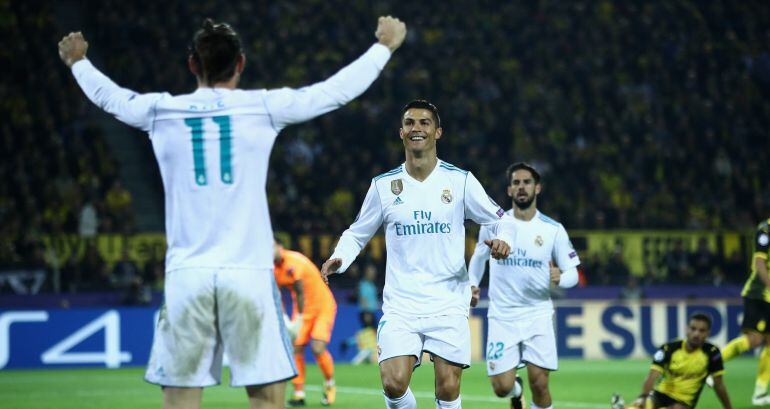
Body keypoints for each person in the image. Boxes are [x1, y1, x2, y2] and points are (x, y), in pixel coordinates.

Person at [58, 16, 406, 409]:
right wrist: (384, 47)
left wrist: (78, 61)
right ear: (240, 64)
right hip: (249, 275)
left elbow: (111, 97)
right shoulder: (263, 107)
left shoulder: (161, 110)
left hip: (187, 276)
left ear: (192, 65)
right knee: (266, 399)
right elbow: (332, 92)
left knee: (180, 400)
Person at [321, 100, 516, 409]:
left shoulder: (460, 181)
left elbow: (499, 218)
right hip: (402, 304)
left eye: (425, 123)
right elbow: (358, 232)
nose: (417, 128)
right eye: (410, 123)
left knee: (448, 388)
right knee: (393, 382)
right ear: (401, 133)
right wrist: (340, 258)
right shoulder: (384, 186)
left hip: (448, 302)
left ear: (437, 132)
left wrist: (503, 239)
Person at [468, 162, 580, 409]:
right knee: (501, 388)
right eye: (516, 183)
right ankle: (516, 392)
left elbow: (573, 273)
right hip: (502, 316)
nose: (521, 187)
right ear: (509, 191)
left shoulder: (553, 230)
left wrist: (561, 276)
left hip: (537, 314)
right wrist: (473, 284)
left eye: (526, 182)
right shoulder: (494, 223)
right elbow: (478, 257)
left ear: (537, 188)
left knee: (540, 384)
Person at [611, 313, 732, 409]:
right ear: (686, 329)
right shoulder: (670, 348)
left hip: (684, 402)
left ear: (708, 333)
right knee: (642, 405)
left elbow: (719, 384)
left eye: (702, 330)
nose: (696, 334)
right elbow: (652, 376)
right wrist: (643, 397)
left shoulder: (712, 353)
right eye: (693, 329)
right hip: (660, 394)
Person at [273, 238, 338, 407]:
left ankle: (330, 384)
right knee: (296, 348)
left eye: (272, 246)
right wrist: (285, 318)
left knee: (317, 348)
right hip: (303, 309)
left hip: (322, 306)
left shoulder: (295, 261)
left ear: (280, 246)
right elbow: (276, 294)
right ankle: (298, 393)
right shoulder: (272, 269)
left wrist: (298, 319)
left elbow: (300, 291)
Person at [719, 217, 770, 404]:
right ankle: (712, 365)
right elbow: (759, 265)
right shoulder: (766, 230)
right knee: (754, 340)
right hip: (758, 293)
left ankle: (760, 392)